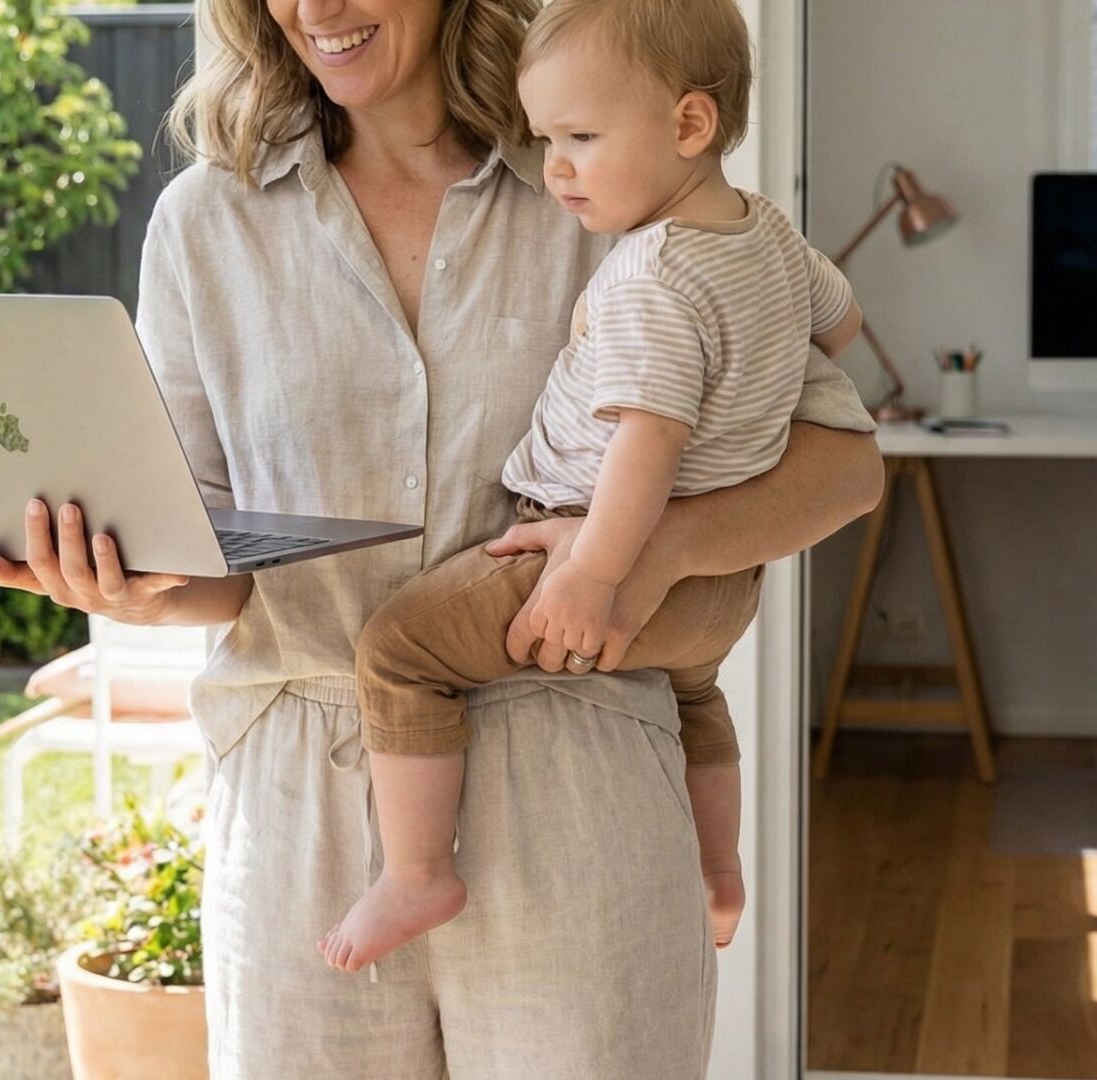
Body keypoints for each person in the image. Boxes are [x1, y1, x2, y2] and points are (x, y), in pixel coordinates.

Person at [0, 0, 883, 1072]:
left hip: (574, 766)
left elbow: (847, 465)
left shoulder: (600, 173)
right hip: (299, 809)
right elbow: (215, 566)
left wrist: (656, 551)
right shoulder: (206, 222)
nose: (317, 10)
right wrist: (129, 586)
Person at [319, 0, 865, 977]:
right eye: (544, 140)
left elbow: (648, 442)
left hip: (594, 557)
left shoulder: (649, 274)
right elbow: (843, 324)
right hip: (724, 589)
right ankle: (718, 871)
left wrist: (591, 575)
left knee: (398, 648)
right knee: (696, 699)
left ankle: (415, 872)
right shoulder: (772, 236)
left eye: (579, 138)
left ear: (689, 126)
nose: (556, 167)